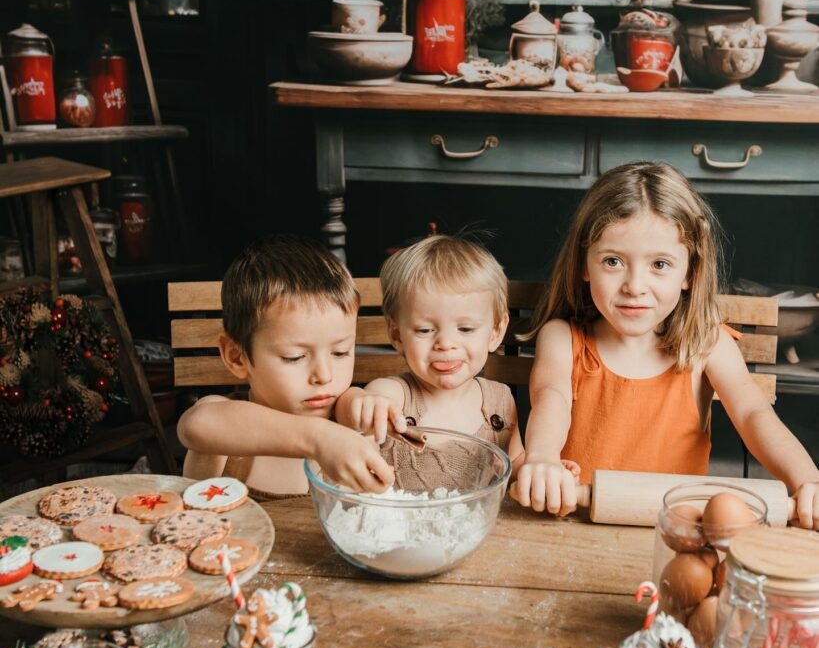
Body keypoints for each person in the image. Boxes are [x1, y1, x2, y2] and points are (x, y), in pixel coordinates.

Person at [513, 161, 819, 529]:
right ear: (583, 265)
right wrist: (543, 458)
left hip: (677, 534)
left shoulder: (707, 344)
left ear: (689, 272)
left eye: (659, 264)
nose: (635, 285)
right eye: (613, 261)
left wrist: (808, 480)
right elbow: (552, 398)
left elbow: (755, 415)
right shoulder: (562, 338)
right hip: (572, 526)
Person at [177, 236, 396, 498]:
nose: (324, 376)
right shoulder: (223, 431)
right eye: (294, 357)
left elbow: (355, 408)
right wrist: (319, 438)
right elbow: (196, 425)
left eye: (340, 352)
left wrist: (360, 401)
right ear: (237, 357)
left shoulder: (348, 425)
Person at [335, 235, 524, 479]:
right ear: (397, 335)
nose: (445, 344)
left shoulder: (500, 401)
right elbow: (354, 411)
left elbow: (515, 461)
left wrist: (541, 470)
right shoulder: (394, 396)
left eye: (465, 329)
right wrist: (358, 401)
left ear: (495, 332)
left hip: (481, 517)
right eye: (425, 330)